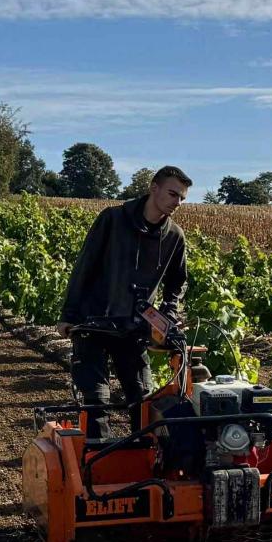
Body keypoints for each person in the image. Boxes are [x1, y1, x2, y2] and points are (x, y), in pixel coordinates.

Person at [56, 166, 191, 438]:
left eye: (182, 198)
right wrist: (68, 314)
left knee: (142, 398)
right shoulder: (113, 219)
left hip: (135, 328)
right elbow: (85, 265)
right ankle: (97, 466)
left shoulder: (174, 236)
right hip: (94, 321)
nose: (177, 202)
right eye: (173, 194)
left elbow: (178, 281)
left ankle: (146, 464)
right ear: (153, 188)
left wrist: (168, 312)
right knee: (96, 399)